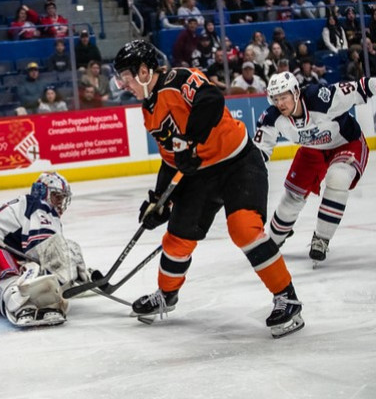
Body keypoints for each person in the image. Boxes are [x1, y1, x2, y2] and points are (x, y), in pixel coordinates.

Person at [112, 40, 304, 338]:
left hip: (238, 163)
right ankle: (167, 295)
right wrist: (159, 200)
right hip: (199, 175)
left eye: (125, 77)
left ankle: (288, 297)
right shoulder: (148, 110)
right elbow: (171, 158)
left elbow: (212, 99)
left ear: (143, 70)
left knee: (244, 228)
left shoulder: (179, 79)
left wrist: (191, 140)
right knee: (176, 237)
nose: (123, 84)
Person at [254, 61, 376, 266]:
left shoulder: (321, 98)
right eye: (275, 99)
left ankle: (321, 238)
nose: (280, 103)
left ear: (295, 93)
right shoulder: (271, 117)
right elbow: (258, 154)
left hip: (346, 142)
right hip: (312, 150)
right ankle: (275, 238)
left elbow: (358, 89)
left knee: (338, 178)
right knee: (291, 198)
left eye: (284, 97)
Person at [0, 172, 87, 327]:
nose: (60, 203)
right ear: (43, 192)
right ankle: (22, 308)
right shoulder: (39, 206)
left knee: (28, 274)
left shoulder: (29, 208)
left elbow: (35, 256)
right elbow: (46, 248)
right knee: (17, 280)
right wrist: (67, 270)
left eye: (62, 198)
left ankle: (18, 297)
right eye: (57, 196)